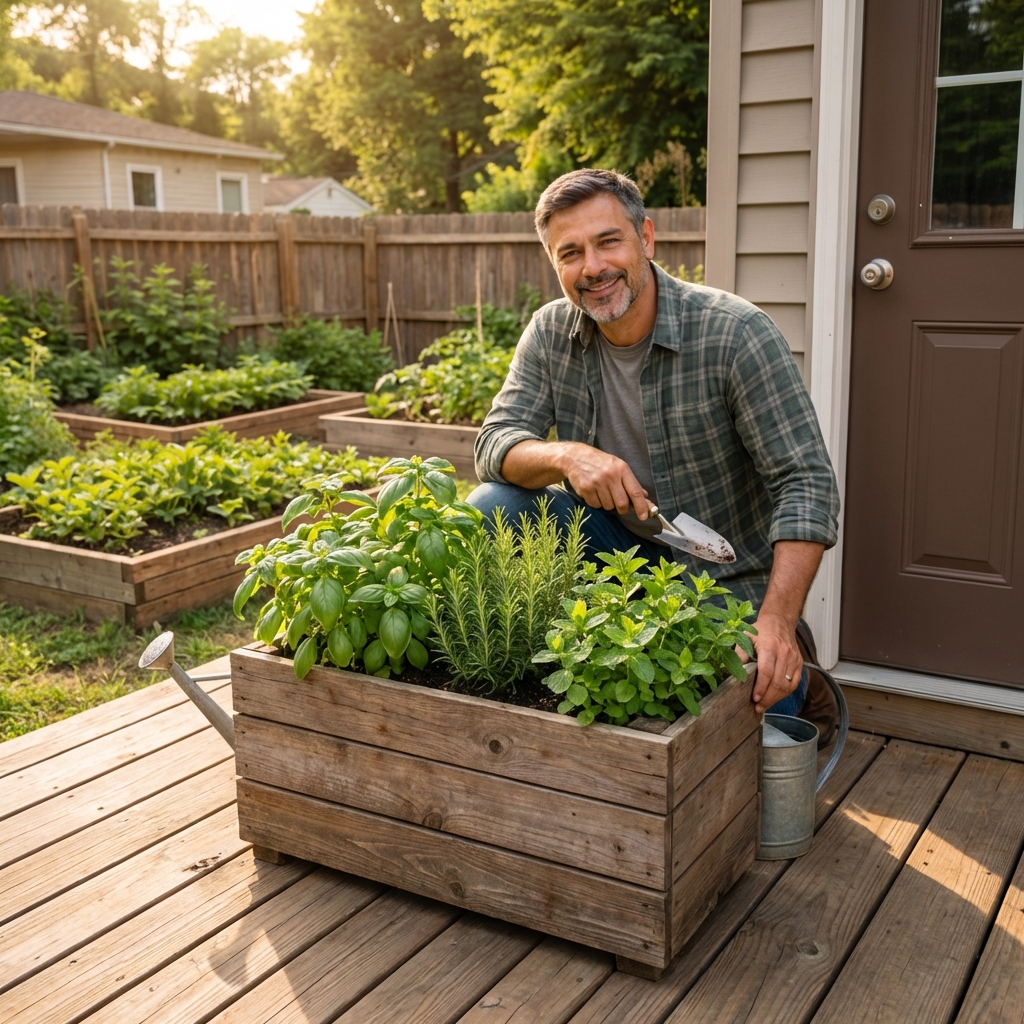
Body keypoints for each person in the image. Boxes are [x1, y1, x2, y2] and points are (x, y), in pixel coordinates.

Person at [469, 169, 841, 730]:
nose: (592, 267)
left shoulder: (735, 333)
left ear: (646, 238)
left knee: (743, 703)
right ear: (555, 265)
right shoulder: (550, 333)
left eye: (607, 241)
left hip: (723, 578)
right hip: (616, 558)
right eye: (570, 253)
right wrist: (569, 456)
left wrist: (777, 622)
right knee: (493, 506)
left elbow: (806, 483)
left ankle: (798, 668)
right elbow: (494, 443)